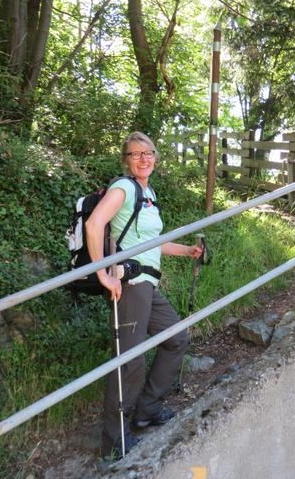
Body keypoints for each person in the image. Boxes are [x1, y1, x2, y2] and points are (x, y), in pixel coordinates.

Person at [85, 131, 202, 458]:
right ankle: (114, 441)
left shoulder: (147, 193)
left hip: (148, 284)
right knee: (130, 361)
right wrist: (102, 274)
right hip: (130, 285)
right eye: (136, 154)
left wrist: (186, 249)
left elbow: (153, 241)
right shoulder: (124, 187)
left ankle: (146, 410)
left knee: (176, 339)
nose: (144, 158)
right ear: (126, 159)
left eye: (148, 152)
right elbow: (94, 225)